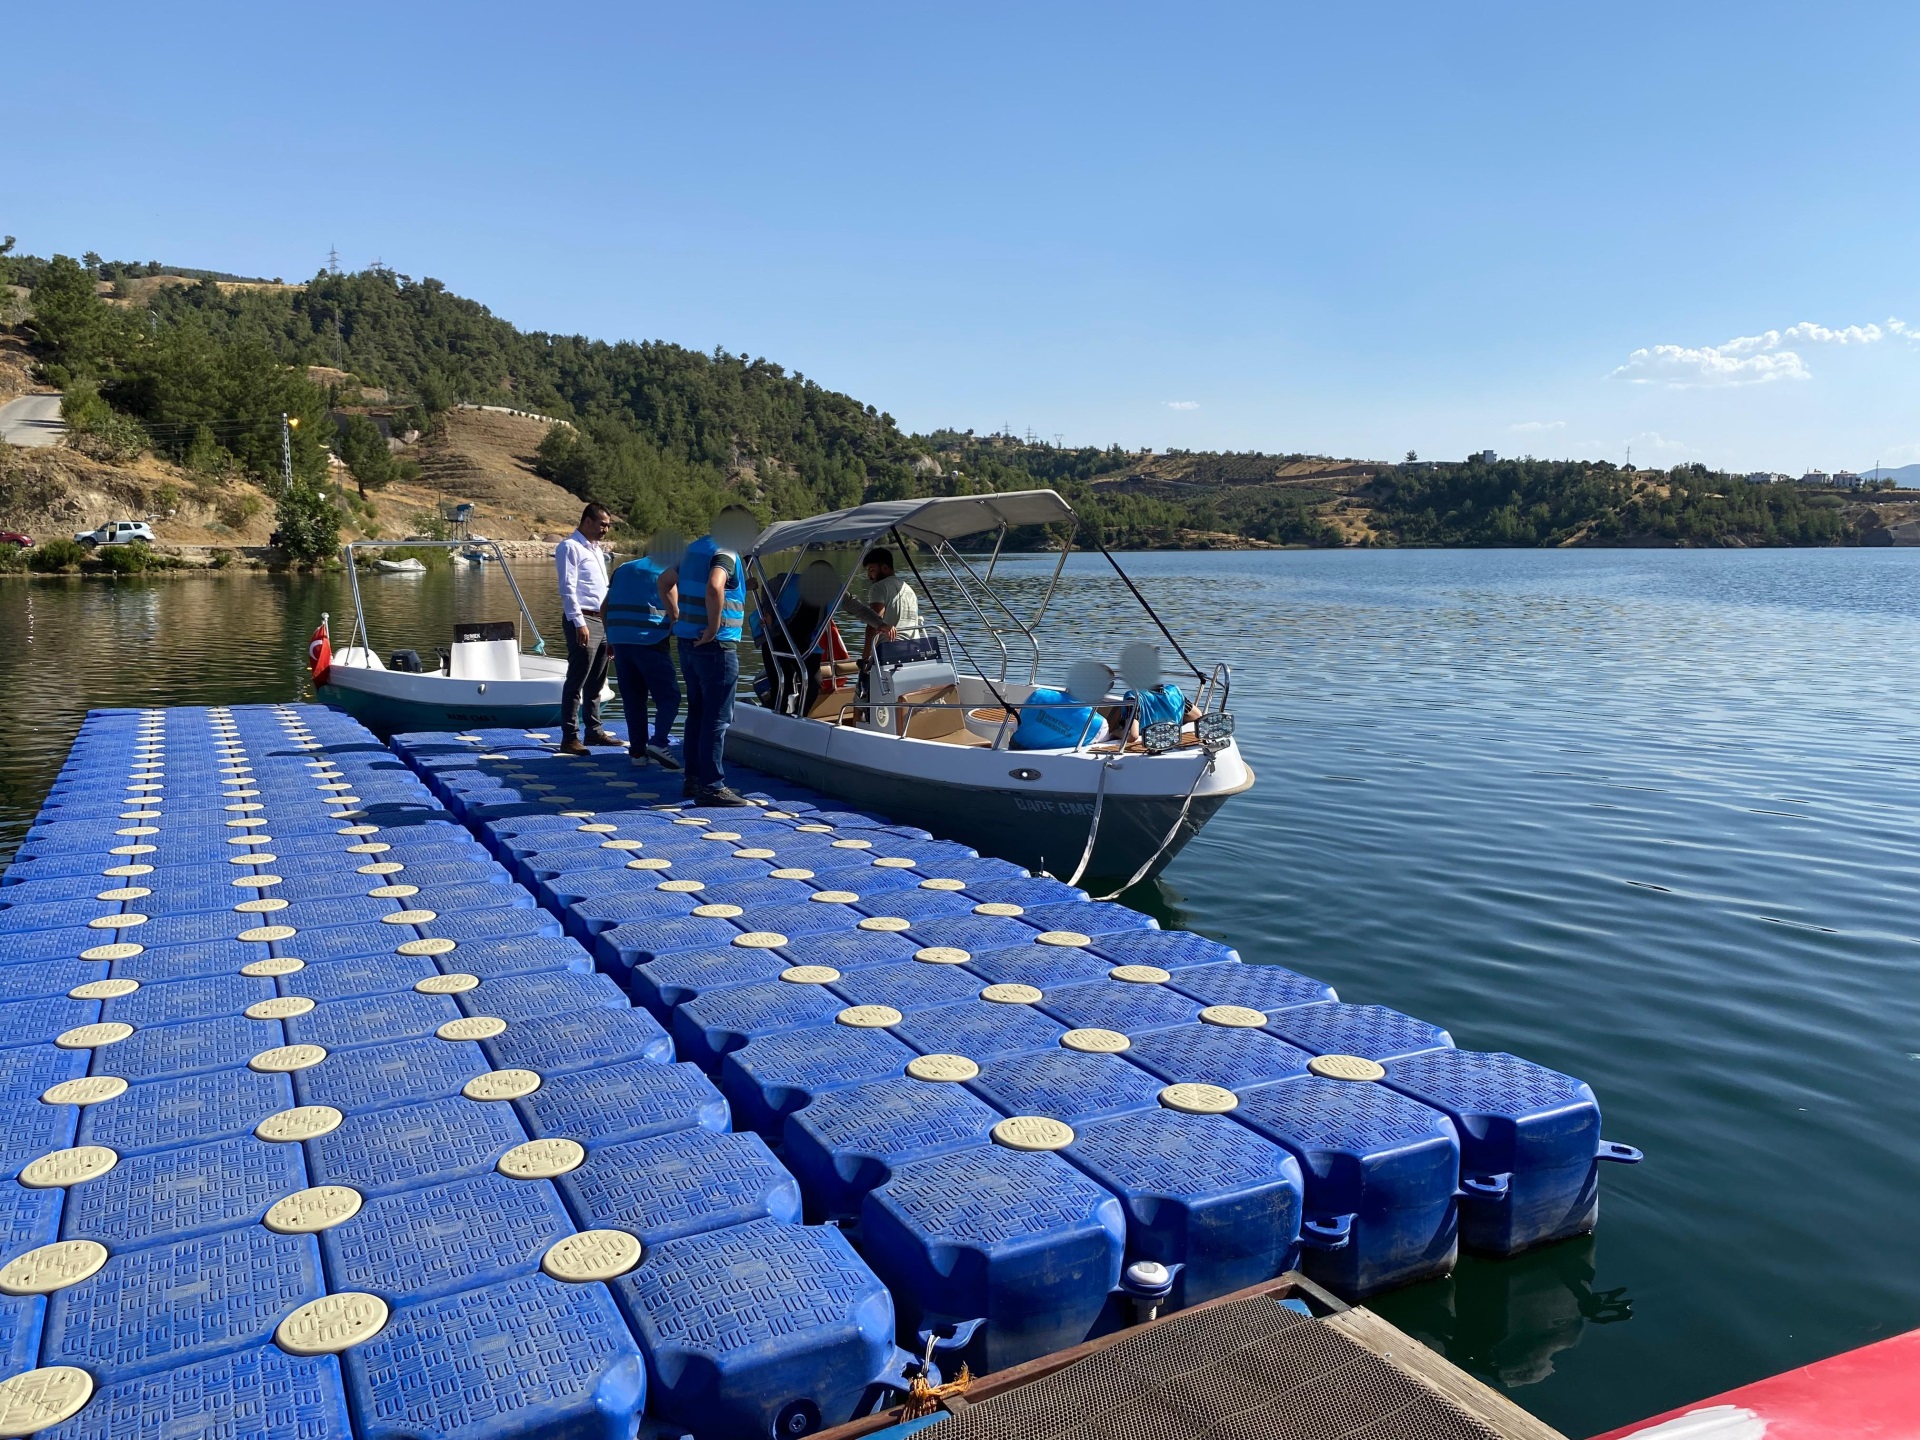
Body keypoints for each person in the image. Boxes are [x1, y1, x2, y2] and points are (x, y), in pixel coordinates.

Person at [660, 505, 757, 806]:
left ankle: (693, 779)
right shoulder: (725, 551)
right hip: (715, 647)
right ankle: (713, 786)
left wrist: (675, 617)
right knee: (717, 718)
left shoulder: (693, 550)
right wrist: (713, 629)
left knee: (698, 714)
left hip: (688, 644)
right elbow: (716, 586)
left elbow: (663, 582)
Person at [603, 531, 683, 769]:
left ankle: (637, 754)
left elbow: (605, 605)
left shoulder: (624, 568)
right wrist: (677, 625)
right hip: (650, 639)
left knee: (633, 699)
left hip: (620, 639)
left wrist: (610, 637)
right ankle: (659, 742)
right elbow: (674, 605)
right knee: (669, 696)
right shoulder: (668, 570)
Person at [554, 502, 618, 755]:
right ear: (587, 520)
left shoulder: (596, 550)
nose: (605, 530)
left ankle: (594, 731)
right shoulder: (570, 547)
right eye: (602, 524)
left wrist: (610, 625)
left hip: (602, 618)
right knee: (577, 679)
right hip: (583, 618)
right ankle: (570, 737)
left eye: (608, 526)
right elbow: (567, 588)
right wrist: (578, 622)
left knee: (598, 680)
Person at [1117, 640, 1202, 748]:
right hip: (1172, 743)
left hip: (1146, 748)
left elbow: (1132, 736)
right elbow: (1197, 715)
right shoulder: (1174, 691)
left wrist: (1115, 732)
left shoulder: (1133, 697)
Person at [857, 547, 922, 658]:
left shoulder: (878, 587)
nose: (868, 576)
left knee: (864, 674)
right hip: (915, 648)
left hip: (890, 650)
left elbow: (873, 622)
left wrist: (865, 657)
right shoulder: (908, 589)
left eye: (871, 570)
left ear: (885, 568)